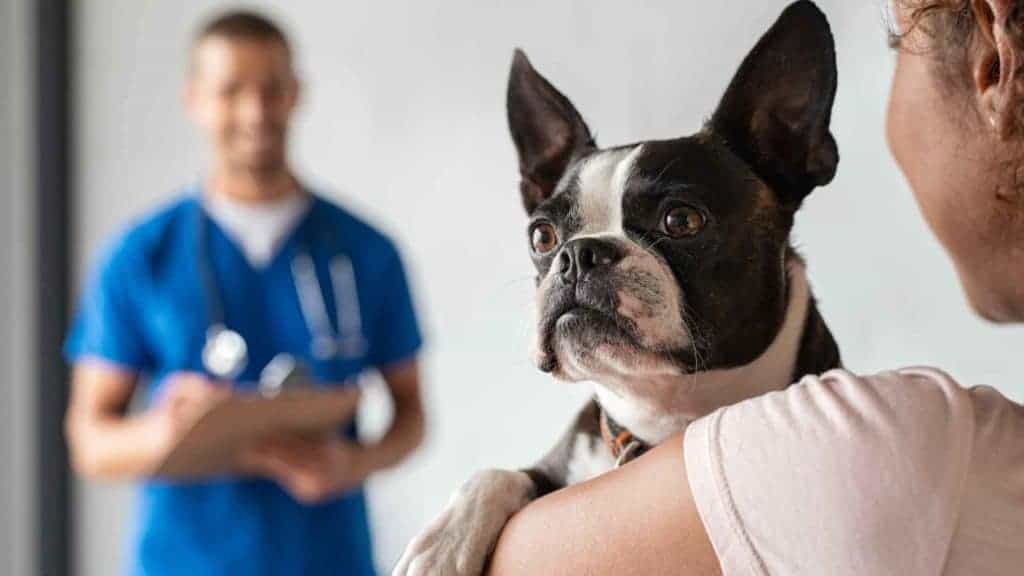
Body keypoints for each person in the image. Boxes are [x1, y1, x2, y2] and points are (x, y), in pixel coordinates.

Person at [487, 1, 1024, 574]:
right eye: (547, 239)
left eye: (679, 222)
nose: (574, 265)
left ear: (994, 62)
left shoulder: (856, 446)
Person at [63, 11, 425, 576]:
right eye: (231, 91)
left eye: (271, 90)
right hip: (182, 561)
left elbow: (412, 416)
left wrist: (352, 463)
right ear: (195, 100)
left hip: (329, 560)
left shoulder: (365, 251)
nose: (255, 113)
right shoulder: (142, 255)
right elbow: (90, 441)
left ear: (296, 94)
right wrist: (164, 432)